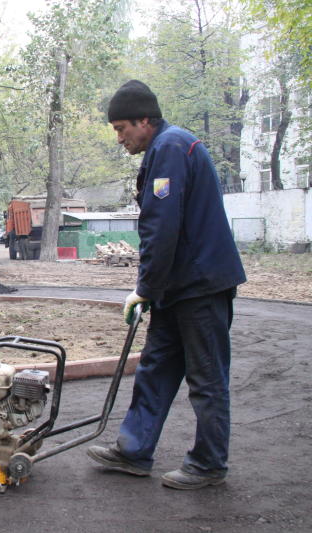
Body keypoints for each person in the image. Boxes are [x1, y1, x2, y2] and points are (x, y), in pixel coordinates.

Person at [86, 80, 246, 490]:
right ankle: (134, 451)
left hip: (201, 285)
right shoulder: (164, 148)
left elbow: (162, 226)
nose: (120, 138)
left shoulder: (171, 148)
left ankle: (209, 464)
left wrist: (144, 288)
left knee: (206, 378)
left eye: (122, 128)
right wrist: (156, 289)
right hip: (179, 287)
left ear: (145, 120)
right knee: (155, 369)